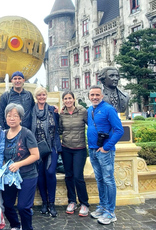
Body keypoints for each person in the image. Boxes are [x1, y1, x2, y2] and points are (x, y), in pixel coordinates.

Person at [87, 85, 124, 225]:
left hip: (105, 151)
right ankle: (102, 206)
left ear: (101, 96)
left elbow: (119, 130)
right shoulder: (90, 109)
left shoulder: (108, 109)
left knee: (108, 179)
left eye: (97, 95)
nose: (95, 97)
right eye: (92, 95)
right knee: (100, 179)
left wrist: (106, 147)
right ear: (89, 97)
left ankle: (110, 211)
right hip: (92, 150)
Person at [2, 103, 40, 230]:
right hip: (9, 177)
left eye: (15, 116)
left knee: (23, 207)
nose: (12, 118)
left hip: (27, 174)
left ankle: (27, 228)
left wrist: (18, 164)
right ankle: (15, 225)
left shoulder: (26, 133)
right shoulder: (3, 134)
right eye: (9, 115)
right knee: (7, 205)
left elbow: (35, 155)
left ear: (20, 118)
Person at [58, 90, 90, 217]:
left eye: (70, 98)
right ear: (63, 101)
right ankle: (72, 201)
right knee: (69, 175)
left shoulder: (82, 111)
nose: (68, 100)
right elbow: (60, 130)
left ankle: (84, 203)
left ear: (74, 99)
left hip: (80, 148)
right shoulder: (62, 114)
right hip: (66, 148)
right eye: (65, 99)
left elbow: (91, 125)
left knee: (78, 176)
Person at [30, 86, 61, 217]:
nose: (42, 97)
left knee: (50, 172)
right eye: (39, 95)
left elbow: (59, 126)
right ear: (36, 97)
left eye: (43, 95)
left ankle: (51, 203)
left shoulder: (52, 110)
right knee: (40, 175)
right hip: (37, 148)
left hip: (51, 146)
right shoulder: (31, 112)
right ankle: (44, 202)